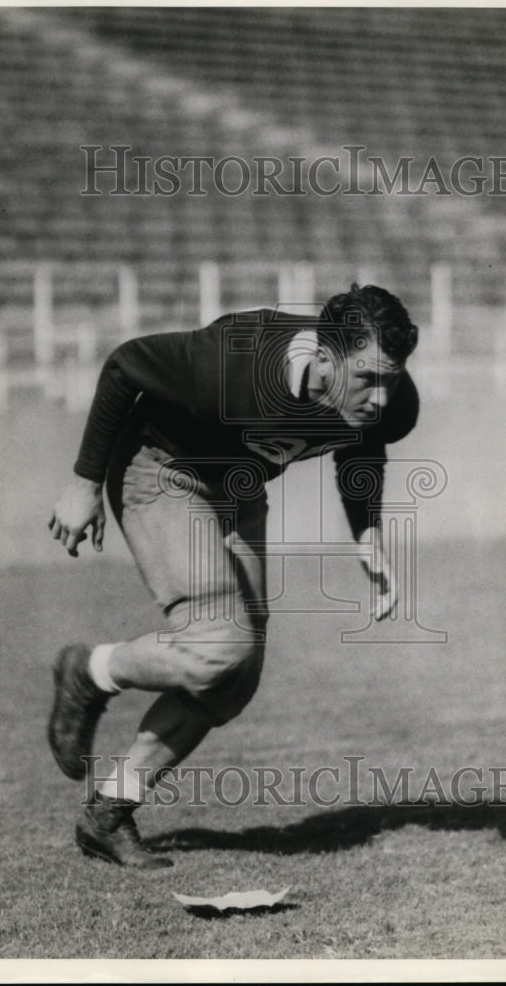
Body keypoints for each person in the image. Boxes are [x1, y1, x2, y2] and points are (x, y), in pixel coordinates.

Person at [48, 282, 419, 868]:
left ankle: (107, 812)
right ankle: (89, 672)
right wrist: (83, 482)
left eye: (392, 379)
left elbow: (364, 442)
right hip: (162, 468)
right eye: (369, 378)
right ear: (323, 359)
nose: (381, 396)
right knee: (219, 645)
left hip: (238, 489)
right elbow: (126, 365)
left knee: (234, 675)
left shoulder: (386, 397)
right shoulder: (239, 361)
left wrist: (366, 532)